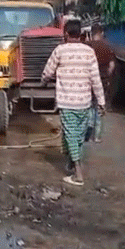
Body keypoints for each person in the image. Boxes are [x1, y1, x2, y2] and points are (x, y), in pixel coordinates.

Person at [42, 19, 105, 186]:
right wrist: (101, 101)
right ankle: (71, 162)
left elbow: (47, 71)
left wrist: (43, 81)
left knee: (70, 135)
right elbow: (95, 79)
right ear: (81, 34)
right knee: (77, 136)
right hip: (84, 102)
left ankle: (78, 173)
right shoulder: (89, 52)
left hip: (67, 102)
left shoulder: (60, 51)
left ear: (65, 34)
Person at [86, 23, 115, 142]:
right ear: (101, 33)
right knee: (99, 107)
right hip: (102, 80)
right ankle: (97, 136)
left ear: (91, 33)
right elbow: (112, 65)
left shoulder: (87, 46)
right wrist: (107, 75)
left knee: (89, 106)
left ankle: (88, 130)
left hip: (89, 80)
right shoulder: (107, 47)